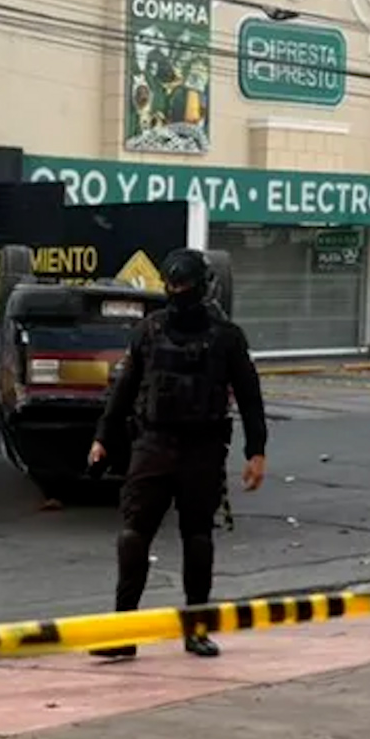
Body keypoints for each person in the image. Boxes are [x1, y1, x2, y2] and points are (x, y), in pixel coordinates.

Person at [88, 248, 268, 660]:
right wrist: (103, 437)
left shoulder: (226, 337)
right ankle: (124, 631)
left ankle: (195, 629)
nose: (179, 293)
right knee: (135, 536)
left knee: (197, 538)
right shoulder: (150, 331)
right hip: (155, 444)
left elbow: (249, 397)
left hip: (200, 449)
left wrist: (256, 451)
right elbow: (125, 391)